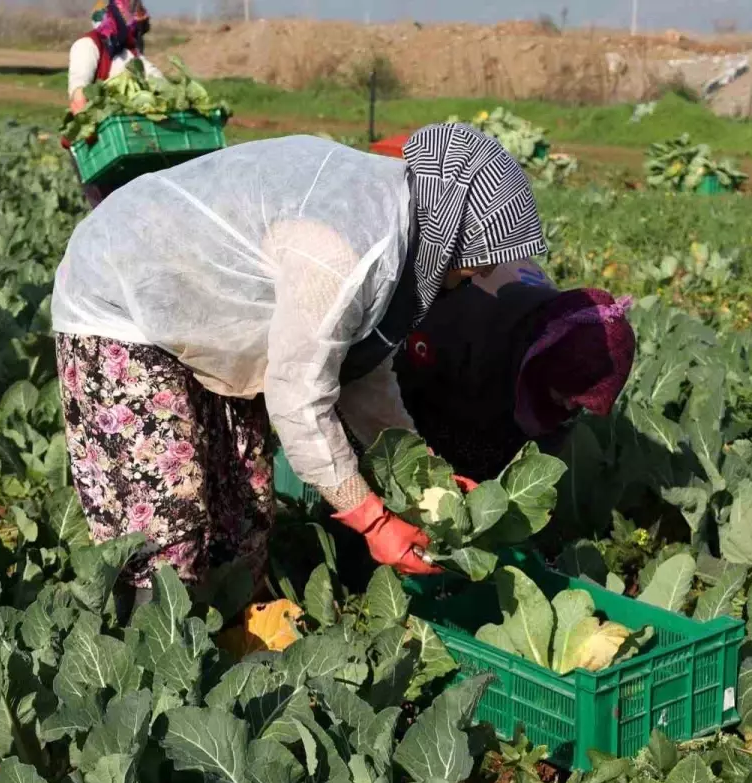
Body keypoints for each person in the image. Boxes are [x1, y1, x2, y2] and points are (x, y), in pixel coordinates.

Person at [50, 123, 550, 604]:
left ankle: (219, 644)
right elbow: (298, 399)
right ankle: (146, 663)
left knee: (241, 513)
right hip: (119, 293)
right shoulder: (347, 247)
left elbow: (361, 375)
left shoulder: (398, 220)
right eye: (472, 265)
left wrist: (424, 472)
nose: (467, 280)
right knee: (167, 522)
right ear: (451, 232)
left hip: (202, 311)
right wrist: (372, 520)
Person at [393, 261, 635, 482]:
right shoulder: (464, 323)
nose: (571, 406)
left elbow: (545, 444)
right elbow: (394, 393)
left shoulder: (563, 337)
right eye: (567, 394)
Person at [65, 0, 161, 208]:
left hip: (129, 145)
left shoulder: (131, 54)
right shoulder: (88, 45)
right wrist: (92, 135)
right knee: (108, 211)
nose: (138, 33)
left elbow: (158, 82)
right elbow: (78, 96)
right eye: (136, 25)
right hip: (98, 147)